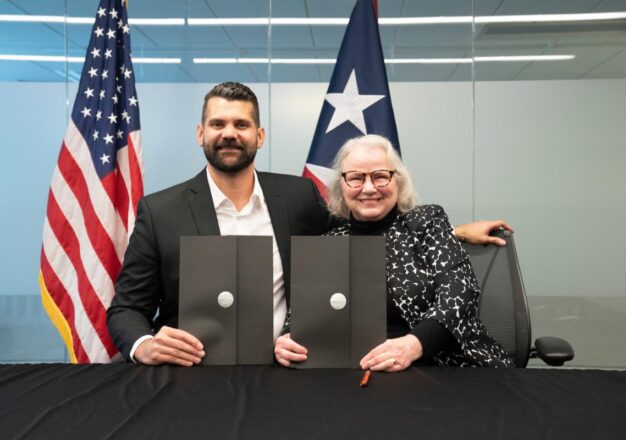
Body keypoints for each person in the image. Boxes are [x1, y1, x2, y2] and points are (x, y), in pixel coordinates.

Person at [108, 82, 512, 366]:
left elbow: (371, 227)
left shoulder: (298, 198)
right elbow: (126, 307)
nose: (229, 134)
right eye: (218, 124)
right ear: (200, 133)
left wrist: (452, 233)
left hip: (293, 367)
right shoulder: (160, 212)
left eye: (242, 125)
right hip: (197, 369)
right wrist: (143, 344)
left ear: (260, 135)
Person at [274, 134, 513, 369]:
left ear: (398, 181)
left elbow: (461, 291)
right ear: (342, 187)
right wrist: (288, 336)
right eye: (356, 178)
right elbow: (303, 314)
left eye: (380, 176)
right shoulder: (328, 243)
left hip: (442, 366)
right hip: (353, 372)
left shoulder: (427, 222)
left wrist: (413, 344)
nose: (368, 188)